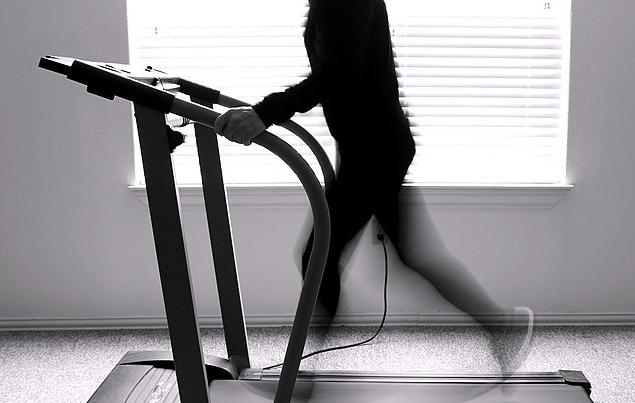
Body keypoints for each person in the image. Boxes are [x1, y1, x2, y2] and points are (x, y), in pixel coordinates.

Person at [215, 0, 533, 371]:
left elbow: (338, 71)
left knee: (319, 254)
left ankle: (302, 378)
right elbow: (360, 70)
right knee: (408, 254)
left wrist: (264, 113)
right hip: (371, 146)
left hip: (374, 149)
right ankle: (502, 324)